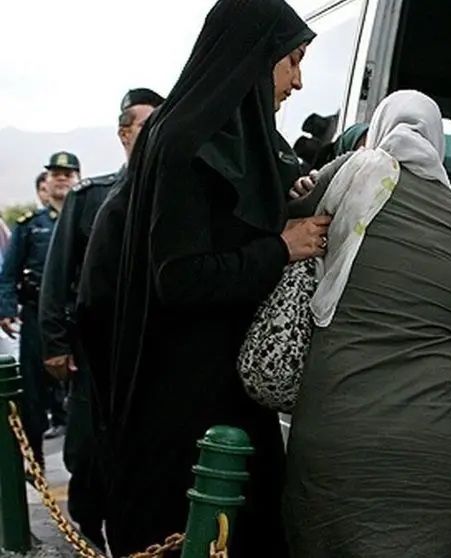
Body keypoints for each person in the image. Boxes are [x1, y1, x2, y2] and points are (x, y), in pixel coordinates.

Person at [98, 1, 325, 555]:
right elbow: (178, 277)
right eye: (291, 60)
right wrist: (281, 247)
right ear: (253, 57)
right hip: (185, 405)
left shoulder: (244, 140)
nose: (298, 81)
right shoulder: (182, 143)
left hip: (235, 390)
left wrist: (288, 196)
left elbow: (237, 214)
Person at [283, 90, 451, 557]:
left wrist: (298, 192)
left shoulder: (348, 175)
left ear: (379, 130)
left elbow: (278, 232)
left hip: (335, 433)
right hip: (437, 445)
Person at [38, 88, 163, 552]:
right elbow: (58, 274)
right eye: (146, 126)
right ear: (124, 133)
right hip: (96, 352)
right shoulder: (91, 199)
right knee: (87, 456)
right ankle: (88, 536)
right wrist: (54, 342)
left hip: (150, 354)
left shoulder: (174, 195)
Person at [0, 152, 79, 468]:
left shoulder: (87, 219)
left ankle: (80, 465)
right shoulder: (30, 226)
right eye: (55, 173)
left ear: (77, 179)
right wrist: (5, 308)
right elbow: (8, 272)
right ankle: (35, 464)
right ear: (46, 181)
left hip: (74, 317)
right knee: (31, 395)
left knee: (76, 394)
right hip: (35, 317)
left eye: (67, 173)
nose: (61, 178)